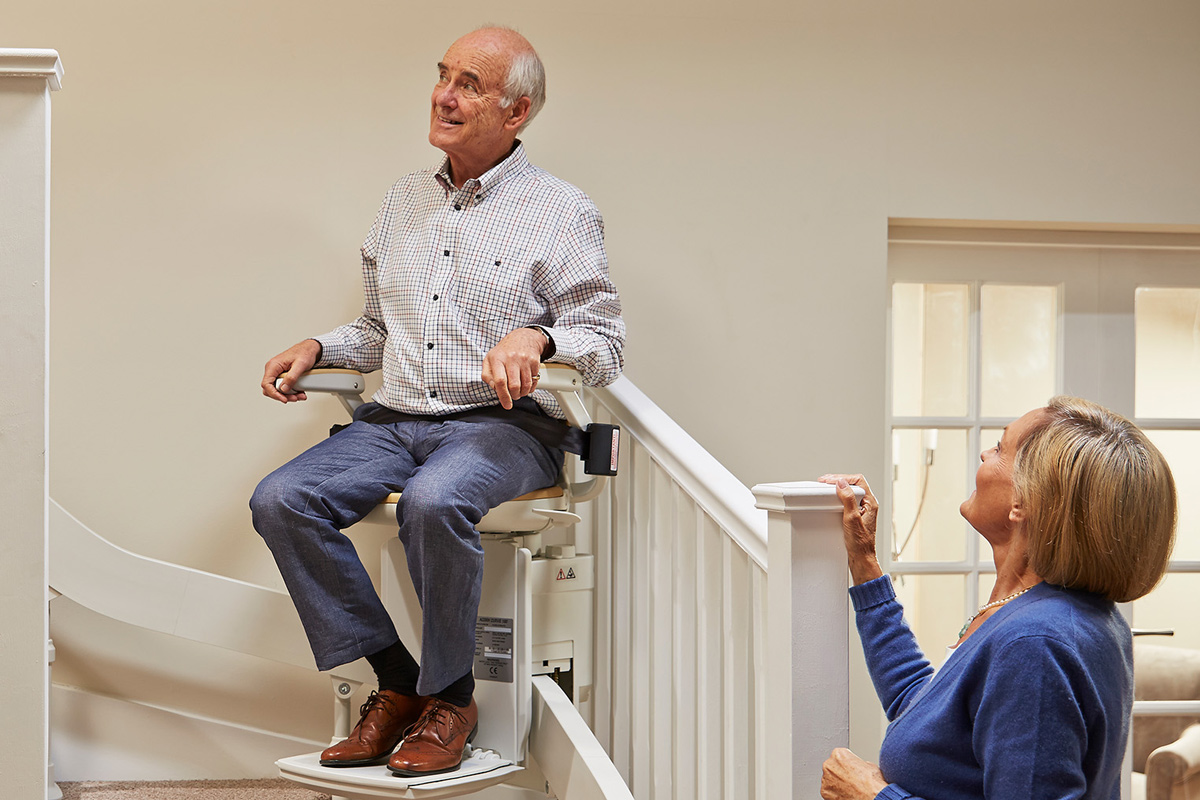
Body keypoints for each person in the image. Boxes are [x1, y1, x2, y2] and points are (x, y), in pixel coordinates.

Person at [249, 26, 624, 777]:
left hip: (502, 427)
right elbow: (378, 328)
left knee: (433, 501)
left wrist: (537, 340)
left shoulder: (560, 210)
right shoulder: (402, 202)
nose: (444, 95)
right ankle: (398, 684)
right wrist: (320, 347)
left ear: (516, 113)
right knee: (281, 499)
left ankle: (451, 697)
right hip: (394, 419)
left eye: (470, 85)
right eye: (444, 75)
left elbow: (604, 343)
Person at [818, 396, 1177, 800]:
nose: (985, 453)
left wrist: (872, 796)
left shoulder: (1037, 644)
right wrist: (864, 561)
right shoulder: (1046, 614)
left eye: (1001, 448)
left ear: (1026, 499)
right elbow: (921, 712)